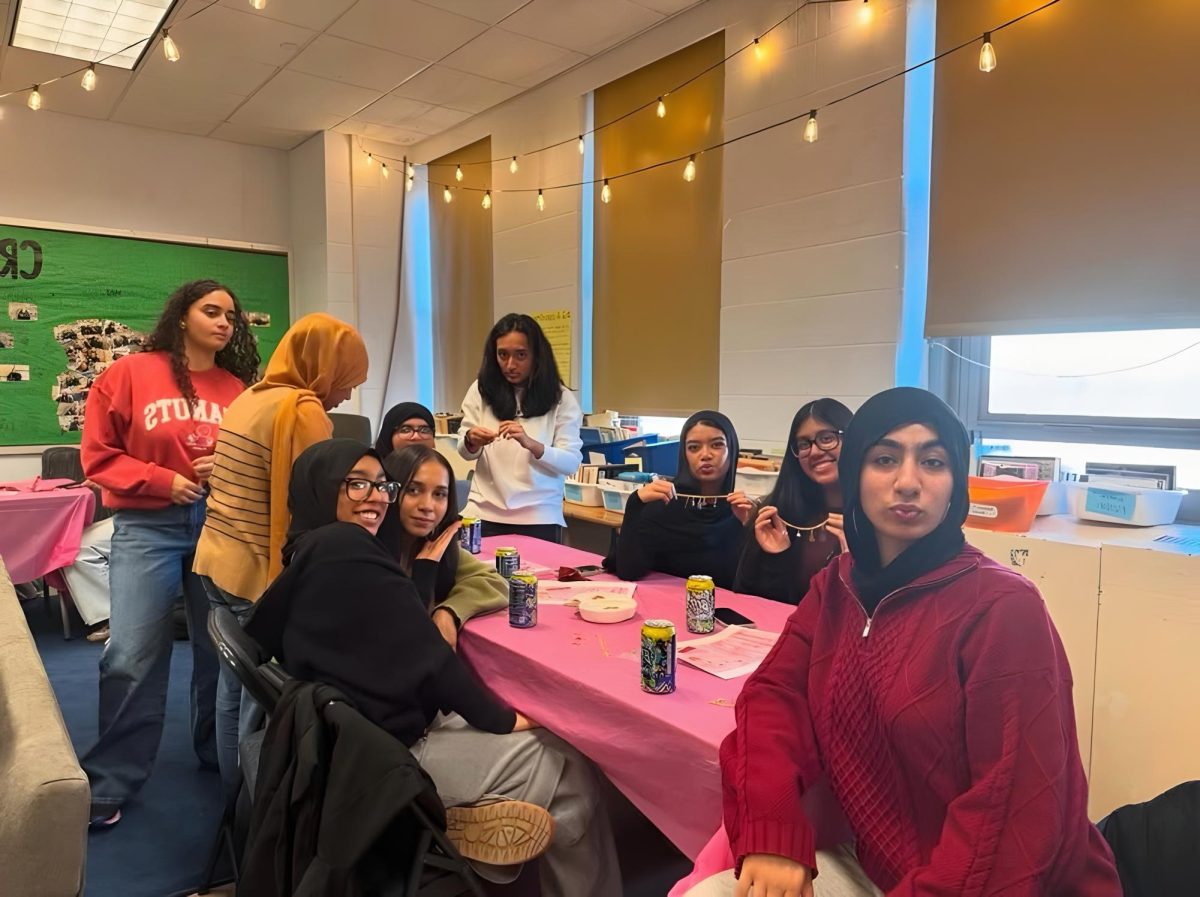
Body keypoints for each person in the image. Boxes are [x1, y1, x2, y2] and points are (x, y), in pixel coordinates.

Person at [688, 387, 1121, 896]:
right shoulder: (837, 586)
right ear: (856, 476)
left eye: (933, 461)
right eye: (885, 459)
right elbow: (771, 698)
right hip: (871, 862)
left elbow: (1010, 821)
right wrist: (774, 832)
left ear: (956, 481)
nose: (908, 483)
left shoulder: (1003, 608)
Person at [245, 440, 621, 895]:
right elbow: (429, 656)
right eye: (357, 484)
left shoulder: (307, 550)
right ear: (322, 489)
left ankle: (479, 834)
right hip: (390, 761)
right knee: (570, 764)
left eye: (380, 484)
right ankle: (463, 825)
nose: (377, 496)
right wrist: (504, 718)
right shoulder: (345, 546)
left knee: (551, 762)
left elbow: (401, 639)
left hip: (353, 748)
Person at [79, 279, 259, 827]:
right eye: (212, 311)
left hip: (220, 528)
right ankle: (111, 780)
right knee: (131, 652)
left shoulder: (237, 390)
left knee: (218, 654)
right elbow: (97, 456)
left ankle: (216, 754)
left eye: (232, 315)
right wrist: (162, 480)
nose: (225, 322)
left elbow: (251, 459)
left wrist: (220, 468)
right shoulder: (128, 374)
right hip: (146, 526)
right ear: (182, 315)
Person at [192, 312, 367, 800]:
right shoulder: (302, 408)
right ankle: (258, 807)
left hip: (216, 558)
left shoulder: (251, 396)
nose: (348, 394)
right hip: (253, 570)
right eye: (347, 380)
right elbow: (320, 501)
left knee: (234, 686)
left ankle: (233, 797)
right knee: (263, 697)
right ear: (323, 367)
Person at [458, 314, 582, 542]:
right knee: (477, 578)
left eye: (521, 355)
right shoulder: (480, 390)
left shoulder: (561, 398)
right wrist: (471, 440)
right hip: (483, 512)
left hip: (539, 517)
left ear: (537, 356)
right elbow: (465, 452)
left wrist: (533, 445)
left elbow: (571, 463)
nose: (510, 365)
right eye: (502, 355)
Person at [380, 445, 508, 650]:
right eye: (413, 490)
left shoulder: (434, 546)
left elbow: (496, 583)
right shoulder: (365, 550)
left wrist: (449, 611)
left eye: (439, 494)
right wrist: (424, 571)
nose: (427, 506)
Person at [610, 411, 755, 589]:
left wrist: (749, 528)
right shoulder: (664, 504)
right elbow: (628, 572)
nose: (706, 455)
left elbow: (753, 585)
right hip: (663, 609)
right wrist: (635, 504)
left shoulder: (741, 511)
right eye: (694, 447)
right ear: (683, 454)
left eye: (717, 445)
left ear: (732, 450)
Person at [734, 399, 853, 604]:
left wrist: (857, 568)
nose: (815, 452)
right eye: (804, 444)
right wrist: (776, 558)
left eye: (827, 438)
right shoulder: (777, 513)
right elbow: (749, 600)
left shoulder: (877, 519)